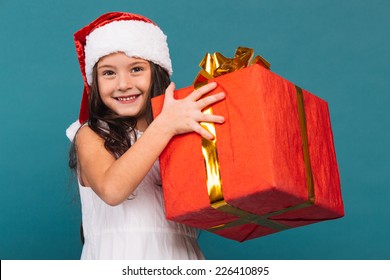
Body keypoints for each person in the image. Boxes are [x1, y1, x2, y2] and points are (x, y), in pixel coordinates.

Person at [66, 12, 225, 260]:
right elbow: (112, 189)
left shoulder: (177, 131)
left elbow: (211, 205)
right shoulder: (90, 134)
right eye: (109, 73)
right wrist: (165, 126)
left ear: (157, 73)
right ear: (94, 82)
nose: (123, 84)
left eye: (136, 69)